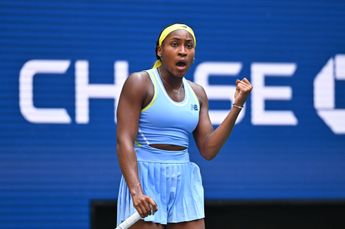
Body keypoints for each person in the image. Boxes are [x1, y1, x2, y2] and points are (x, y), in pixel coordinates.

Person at [116, 23, 252, 229]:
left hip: (184, 179)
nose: (182, 51)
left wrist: (237, 105)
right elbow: (124, 139)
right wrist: (136, 191)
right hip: (145, 177)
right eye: (175, 44)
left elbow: (208, 149)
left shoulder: (197, 93)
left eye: (189, 46)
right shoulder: (139, 82)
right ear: (160, 51)